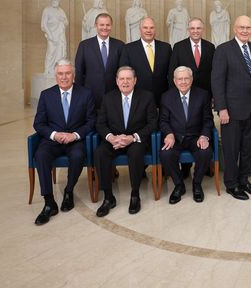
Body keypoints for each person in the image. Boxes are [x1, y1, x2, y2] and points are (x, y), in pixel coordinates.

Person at [32, 59, 96, 225]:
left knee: (78, 155)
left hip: (75, 140)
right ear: (56, 76)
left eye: (68, 73)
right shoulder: (46, 95)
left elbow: (91, 121)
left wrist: (75, 135)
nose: (64, 77)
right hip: (52, 140)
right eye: (60, 74)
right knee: (40, 155)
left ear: (73, 75)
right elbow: (38, 123)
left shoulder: (85, 93)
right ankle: (49, 201)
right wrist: (54, 134)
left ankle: (68, 191)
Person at [94, 66, 157, 217]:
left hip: (136, 139)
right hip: (114, 139)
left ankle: (135, 195)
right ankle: (108, 197)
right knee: (100, 153)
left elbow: (153, 123)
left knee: (135, 153)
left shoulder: (146, 97)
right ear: (116, 81)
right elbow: (100, 123)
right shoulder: (108, 98)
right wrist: (111, 137)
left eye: (129, 78)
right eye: (122, 79)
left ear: (135, 81)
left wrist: (133, 137)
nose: (125, 82)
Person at [211, 15, 251, 200]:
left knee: (249, 148)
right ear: (234, 28)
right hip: (230, 111)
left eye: (248, 27)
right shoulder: (223, 50)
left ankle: (244, 180)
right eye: (241, 27)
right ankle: (232, 184)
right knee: (232, 149)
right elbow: (217, 81)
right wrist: (221, 108)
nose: (245, 30)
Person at [160, 67, 213, 204]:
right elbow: (163, 121)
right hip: (176, 137)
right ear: (174, 80)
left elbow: (208, 120)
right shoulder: (166, 97)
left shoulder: (203, 95)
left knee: (205, 152)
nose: (183, 82)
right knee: (166, 154)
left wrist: (204, 136)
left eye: (186, 78)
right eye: (180, 79)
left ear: (191, 79)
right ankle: (179, 185)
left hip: (195, 137)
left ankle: (197, 184)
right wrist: (169, 134)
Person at [74, 13, 124, 109]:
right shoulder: (84, 45)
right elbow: (79, 71)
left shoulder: (120, 45)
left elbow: (123, 70)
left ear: (111, 26)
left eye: (108, 25)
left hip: (114, 95)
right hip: (90, 94)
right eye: (102, 25)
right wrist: (79, 94)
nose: (105, 28)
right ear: (95, 25)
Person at [119, 17, 171, 106]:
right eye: (145, 27)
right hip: (137, 98)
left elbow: (170, 74)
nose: (148, 30)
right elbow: (124, 74)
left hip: (162, 98)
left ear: (155, 30)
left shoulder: (166, 48)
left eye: (151, 28)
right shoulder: (128, 49)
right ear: (140, 29)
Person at [168, 18, 215, 97]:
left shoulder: (210, 47)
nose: (195, 31)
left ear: (202, 29)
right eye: (192, 28)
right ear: (188, 30)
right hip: (184, 93)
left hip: (206, 93)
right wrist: (174, 93)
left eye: (198, 28)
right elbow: (172, 73)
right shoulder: (179, 47)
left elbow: (214, 72)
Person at [41, 0, 68, 75]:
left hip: (60, 35)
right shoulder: (47, 10)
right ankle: (48, 69)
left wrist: (63, 20)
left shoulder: (61, 11)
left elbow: (66, 22)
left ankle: (58, 69)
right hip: (52, 35)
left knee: (60, 52)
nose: (55, 2)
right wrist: (50, 36)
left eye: (57, 1)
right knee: (51, 52)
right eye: (54, 0)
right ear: (51, 1)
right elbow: (44, 24)